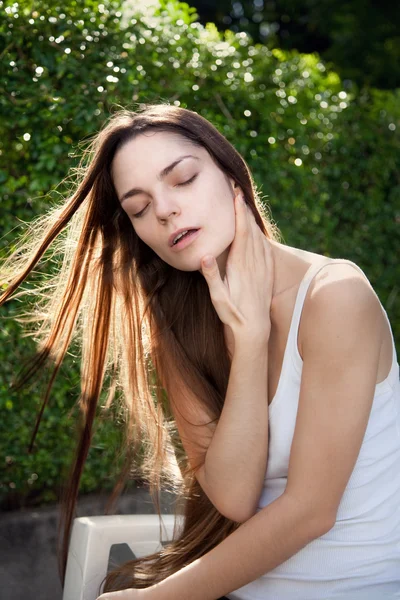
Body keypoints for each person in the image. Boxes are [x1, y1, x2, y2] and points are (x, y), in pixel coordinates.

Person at [1, 103, 399, 600]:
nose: (164, 210)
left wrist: (150, 599)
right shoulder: (179, 326)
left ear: (232, 177)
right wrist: (249, 342)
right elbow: (234, 497)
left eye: (183, 179)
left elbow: (310, 511)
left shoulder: (335, 297)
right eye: (140, 208)